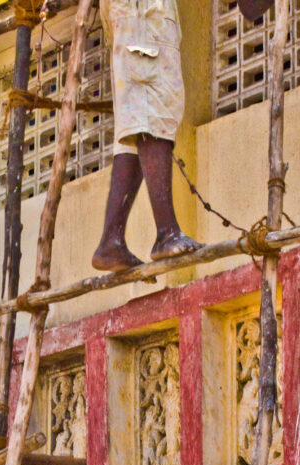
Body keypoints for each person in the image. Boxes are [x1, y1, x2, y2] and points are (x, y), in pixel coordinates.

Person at [91, 0, 202, 274]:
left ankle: (112, 240)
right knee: (153, 109)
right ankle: (166, 232)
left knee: (139, 120)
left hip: (135, 12)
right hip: (142, 10)